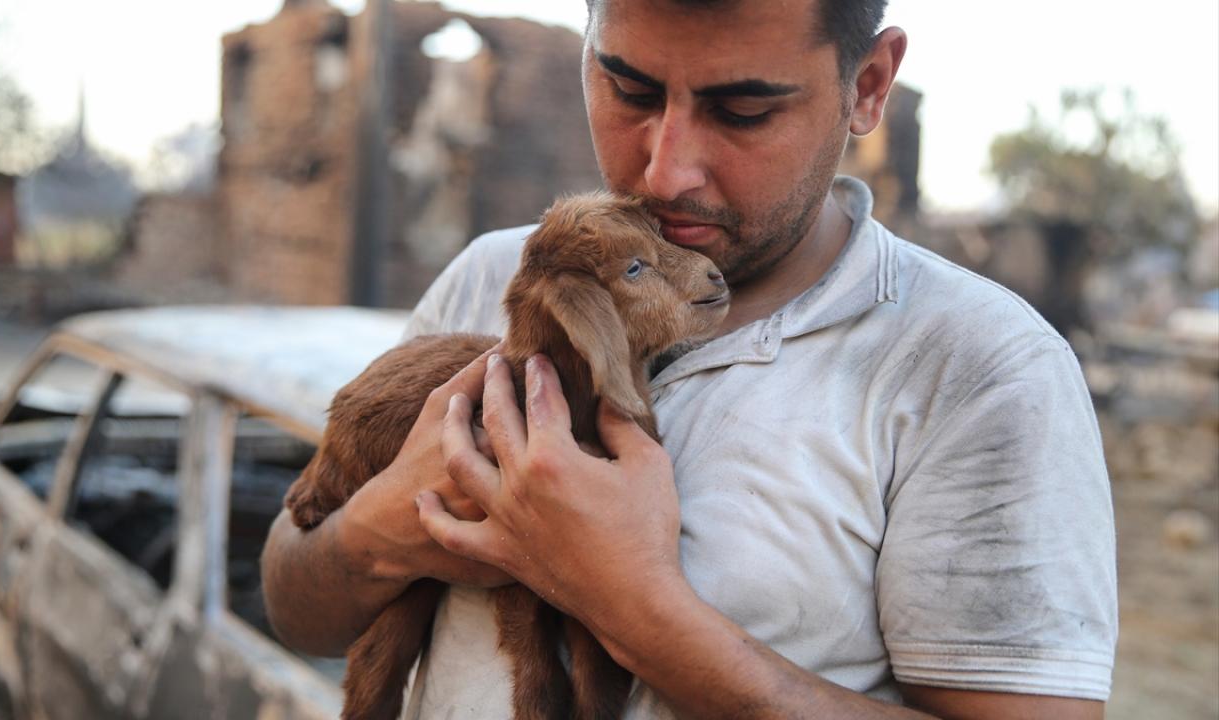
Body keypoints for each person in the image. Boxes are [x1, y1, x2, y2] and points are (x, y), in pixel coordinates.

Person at [261, 0, 1117, 717]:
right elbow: (295, 604)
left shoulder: (974, 369)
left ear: (867, 86)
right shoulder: (501, 273)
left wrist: (634, 605)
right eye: (627, 89)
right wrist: (386, 529)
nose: (666, 172)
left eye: (743, 111)